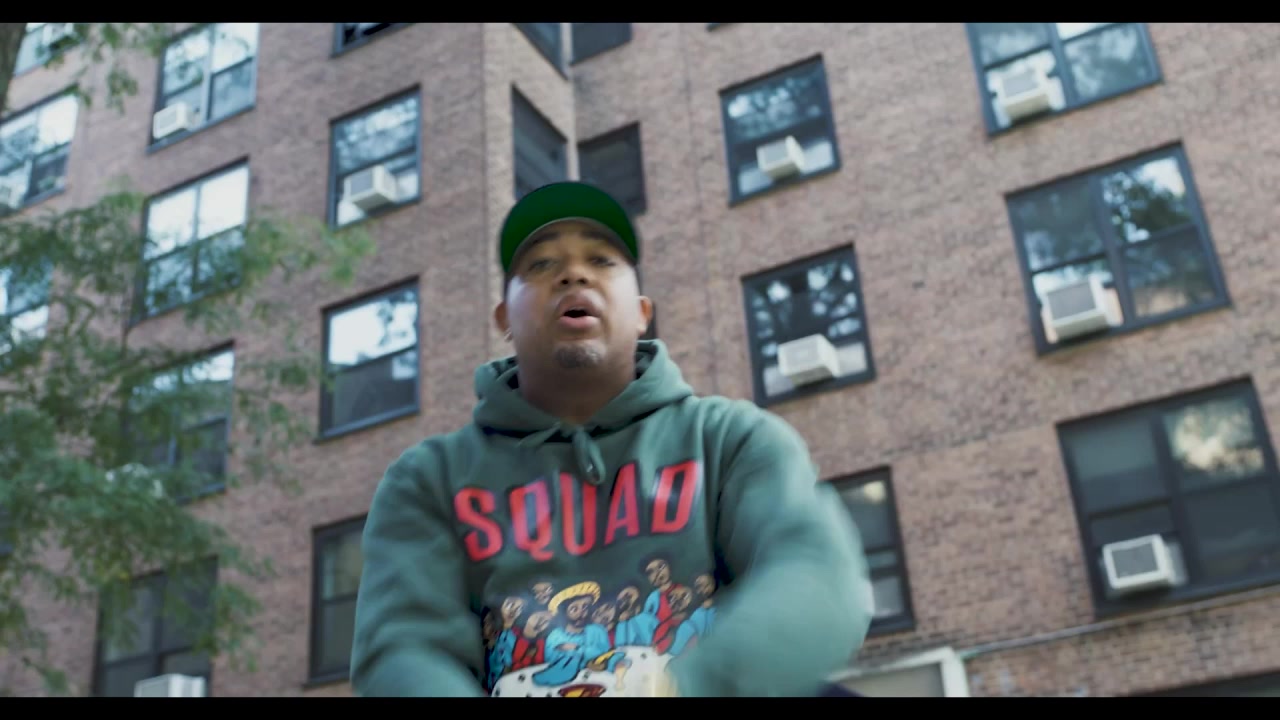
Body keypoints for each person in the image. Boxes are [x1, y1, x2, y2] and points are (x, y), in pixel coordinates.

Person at [349, 181, 873, 697]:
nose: (573, 273)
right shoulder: (429, 481)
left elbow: (815, 577)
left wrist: (677, 691)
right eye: (540, 264)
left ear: (643, 312)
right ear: (504, 319)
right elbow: (403, 648)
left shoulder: (730, 441)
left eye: (601, 260)